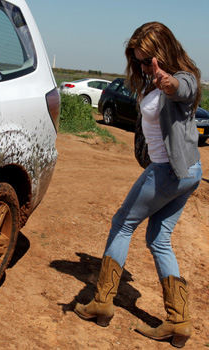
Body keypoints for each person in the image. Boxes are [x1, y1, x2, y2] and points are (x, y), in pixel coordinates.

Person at [74, 22, 202, 348]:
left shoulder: (181, 77)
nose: (146, 66)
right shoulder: (154, 82)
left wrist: (168, 82)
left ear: (164, 51)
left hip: (169, 172)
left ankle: (102, 301)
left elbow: (181, 87)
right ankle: (179, 321)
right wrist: (155, 81)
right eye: (141, 61)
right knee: (159, 238)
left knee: (122, 224)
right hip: (190, 172)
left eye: (149, 60)